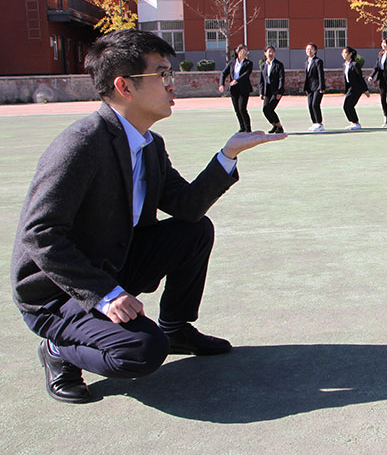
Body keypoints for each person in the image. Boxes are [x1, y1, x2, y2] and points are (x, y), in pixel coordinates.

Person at [10, 29, 286, 404]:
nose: (173, 83)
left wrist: (228, 155)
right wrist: (104, 294)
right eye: (162, 74)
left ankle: (175, 327)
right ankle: (58, 349)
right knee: (141, 351)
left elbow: (187, 206)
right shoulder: (81, 144)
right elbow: (39, 234)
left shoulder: (149, 144)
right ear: (124, 86)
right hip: (58, 293)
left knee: (195, 230)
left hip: (113, 262)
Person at [219, 44, 253, 132]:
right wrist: (221, 84)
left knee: (242, 108)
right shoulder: (232, 63)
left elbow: (246, 74)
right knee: (237, 110)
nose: (246, 52)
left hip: (243, 89)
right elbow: (224, 73)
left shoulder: (248, 63)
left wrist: (237, 80)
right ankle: (242, 127)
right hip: (234, 89)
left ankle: (248, 129)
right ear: (239, 52)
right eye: (244, 50)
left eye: (247, 50)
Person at [342, 46, 370, 130]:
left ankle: (356, 123)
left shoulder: (354, 64)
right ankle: (353, 122)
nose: (343, 54)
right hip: (350, 88)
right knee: (347, 106)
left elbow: (360, 77)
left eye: (345, 53)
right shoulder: (345, 65)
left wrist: (365, 90)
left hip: (356, 88)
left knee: (348, 105)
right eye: (342, 53)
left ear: (350, 54)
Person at [259, 46, 285, 134]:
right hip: (267, 91)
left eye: (272, 52)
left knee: (270, 108)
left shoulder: (279, 65)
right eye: (269, 51)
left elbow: (281, 79)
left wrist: (279, 92)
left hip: (276, 91)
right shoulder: (263, 65)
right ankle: (274, 125)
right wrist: (261, 92)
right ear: (265, 53)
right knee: (265, 109)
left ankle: (280, 127)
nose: (270, 53)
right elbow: (262, 80)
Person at [304, 42, 326, 131]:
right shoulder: (306, 61)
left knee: (315, 104)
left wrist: (322, 87)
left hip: (317, 87)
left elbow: (321, 74)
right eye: (307, 49)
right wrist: (306, 87)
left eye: (311, 49)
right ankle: (315, 123)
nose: (309, 51)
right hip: (309, 88)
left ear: (315, 50)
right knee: (310, 105)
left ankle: (320, 124)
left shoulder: (318, 61)